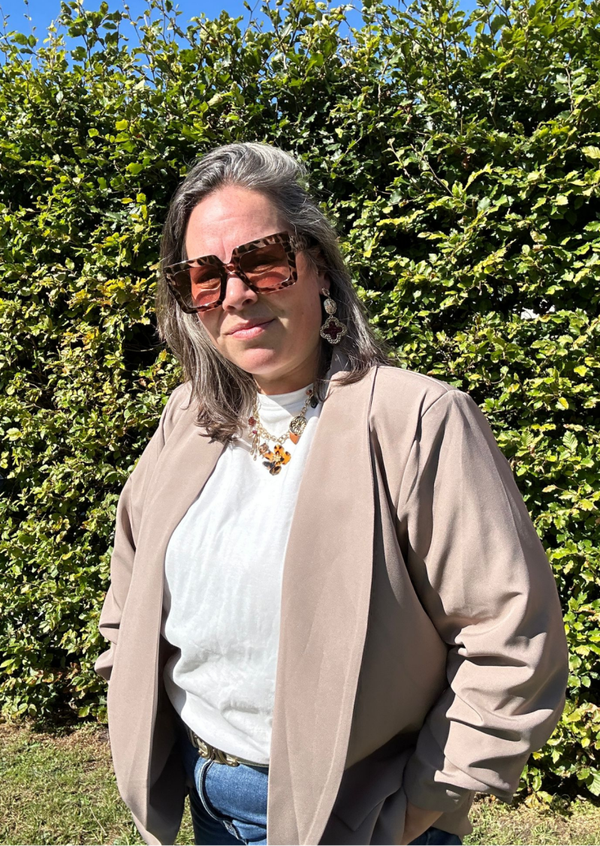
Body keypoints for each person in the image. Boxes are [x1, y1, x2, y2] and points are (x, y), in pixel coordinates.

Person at [95, 142, 568, 846]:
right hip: (204, 796)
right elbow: (129, 590)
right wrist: (126, 688)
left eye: (262, 260)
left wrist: (419, 807)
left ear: (316, 265)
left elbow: (511, 638)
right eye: (204, 276)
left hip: (355, 816)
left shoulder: (415, 420)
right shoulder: (187, 419)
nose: (236, 294)